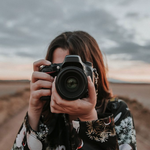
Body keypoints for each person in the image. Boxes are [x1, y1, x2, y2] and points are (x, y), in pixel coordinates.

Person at [12, 31, 137, 150]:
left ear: (96, 74)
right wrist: (34, 111)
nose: (69, 79)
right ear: (48, 73)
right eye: (61, 70)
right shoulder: (44, 116)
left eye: (79, 70)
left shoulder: (117, 112)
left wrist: (89, 118)